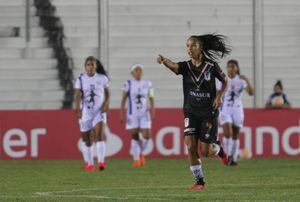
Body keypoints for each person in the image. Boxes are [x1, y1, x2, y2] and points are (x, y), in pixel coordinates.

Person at [157, 34, 230, 190]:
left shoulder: (211, 66)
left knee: (205, 151)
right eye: (187, 46)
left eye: (193, 46)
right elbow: (174, 66)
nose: (189, 49)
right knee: (190, 146)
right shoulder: (186, 66)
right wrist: (164, 61)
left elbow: (225, 81)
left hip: (208, 113)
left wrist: (219, 96)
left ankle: (218, 150)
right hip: (190, 112)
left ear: (200, 48)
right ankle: (199, 182)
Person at [74, 56, 110, 172]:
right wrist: (78, 109)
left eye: (92, 65)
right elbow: (78, 94)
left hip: (99, 111)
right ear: (85, 67)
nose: (90, 67)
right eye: (88, 65)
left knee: (99, 136)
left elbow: (108, 94)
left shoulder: (102, 78)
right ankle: (89, 164)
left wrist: (105, 105)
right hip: (86, 112)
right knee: (87, 140)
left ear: (96, 66)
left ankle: (101, 162)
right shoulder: (80, 79)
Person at [218, 59, 253, 166]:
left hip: (237, 109)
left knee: (235, 135)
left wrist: (247, 79)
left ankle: (233, 159)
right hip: (225, 109)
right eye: (229, 66)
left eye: (233, 66)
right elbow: (218, 93)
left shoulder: (241, 80)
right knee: (227, 133)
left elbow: (251, 93)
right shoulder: (223, 79)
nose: (231, 68)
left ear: (237, 68)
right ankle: (227, 157)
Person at [119, 64, 155, 167]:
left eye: (140, 70)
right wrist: (121, 113)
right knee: (134, 135)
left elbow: (151, 97)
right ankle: (136, 159)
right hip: (132, 114)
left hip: (145, 113)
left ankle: (141, 153)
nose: (138, 72)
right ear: (132, 72)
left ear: (142, 72)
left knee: (147, 136)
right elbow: (123, 99)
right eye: (136, 70)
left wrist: (153, 110)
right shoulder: (128, 84)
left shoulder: (148, 84)